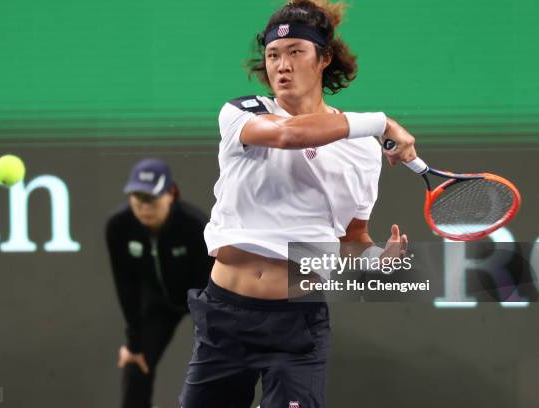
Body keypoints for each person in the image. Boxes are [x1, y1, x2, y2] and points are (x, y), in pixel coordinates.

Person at [178, 1, 417, 407]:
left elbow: (351, 237)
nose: (282, 65)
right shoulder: (243, 113)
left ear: (323, 58)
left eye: (295, 52)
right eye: (273, 55)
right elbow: (291, 134)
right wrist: (381, 121)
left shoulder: (361, 150)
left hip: (296, 326)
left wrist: (377, 258)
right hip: (224, 317)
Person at [105, 158, 213, 408]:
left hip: (202, 300)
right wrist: (134, 342)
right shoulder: (118, 227)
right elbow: (126, 286)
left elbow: (210, 282)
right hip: (158, 305)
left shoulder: (195, 225)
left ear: (171, 194)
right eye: (137, 197)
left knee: (217, 363)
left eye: (151, 197)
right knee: (135, 363)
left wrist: (215, 329)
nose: (144, 206)